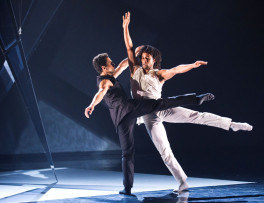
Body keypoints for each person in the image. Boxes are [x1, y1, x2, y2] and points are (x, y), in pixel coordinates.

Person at [122, 12, 253, 192]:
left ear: (153, 61)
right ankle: (182, 181)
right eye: (143, 58)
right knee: (164, 151)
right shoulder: (133, 70)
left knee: (196, 116)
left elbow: (176, 69)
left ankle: (232, 124)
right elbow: (129, 47)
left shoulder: (158, 74)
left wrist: (192, 65)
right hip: (148, 117)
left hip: (162, 107)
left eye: (148, 59)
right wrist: (125, 27)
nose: (144, 61)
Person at [84, 52, 214, 195]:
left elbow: (122, 65)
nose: (113, 64)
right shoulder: (104, 81)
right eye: (110, 63)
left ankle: (127, 188)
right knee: (160, 104)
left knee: (127, 153)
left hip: (120, 119)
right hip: (130, 108)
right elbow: (101, 92)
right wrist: (92, 105)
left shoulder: (110, 76)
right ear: (104, 67)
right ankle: (196, 99)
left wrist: (134, 54)